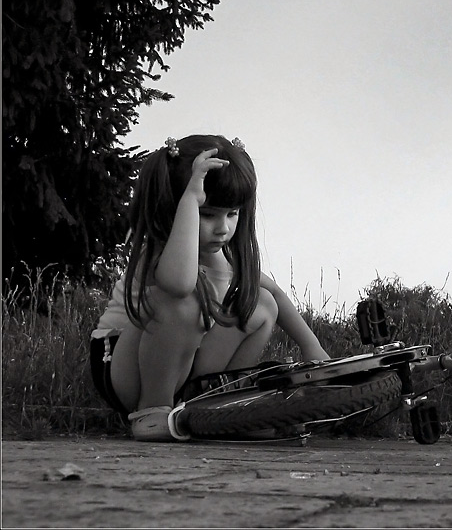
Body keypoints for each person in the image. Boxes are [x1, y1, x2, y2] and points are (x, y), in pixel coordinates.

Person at [90, 134, 330, 441]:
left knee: (262, 304)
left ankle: (216, 407)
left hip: (182, 370)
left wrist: (313, 349)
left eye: (232, 214)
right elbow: (180, 285)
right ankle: (151, 412)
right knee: (184, 301)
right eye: (207, 214)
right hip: (123, 367)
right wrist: (191, 199)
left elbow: (278, 297)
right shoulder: (157, 254)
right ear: (176, 208)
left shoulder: (225, 261)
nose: (223, 228)